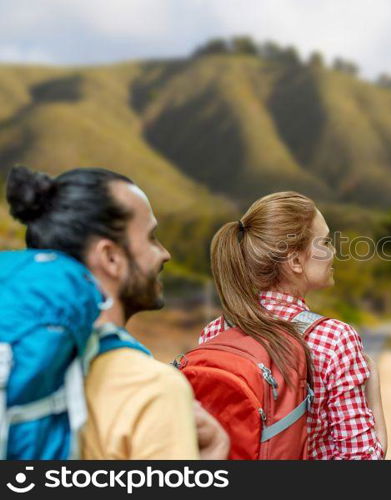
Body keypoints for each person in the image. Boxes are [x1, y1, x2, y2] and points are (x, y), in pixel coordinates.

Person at [5, 165, 229, 459]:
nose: (164, 254)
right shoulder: (149, 387)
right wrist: (214, 453)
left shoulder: (15, 363)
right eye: (151, 237)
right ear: (110, 257)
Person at [200, 191, 387, 459]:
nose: (333, 251)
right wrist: (374, 394)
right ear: (296, 261)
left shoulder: (215, 332)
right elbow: (361, 458)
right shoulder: (334, 338)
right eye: (324, 242)